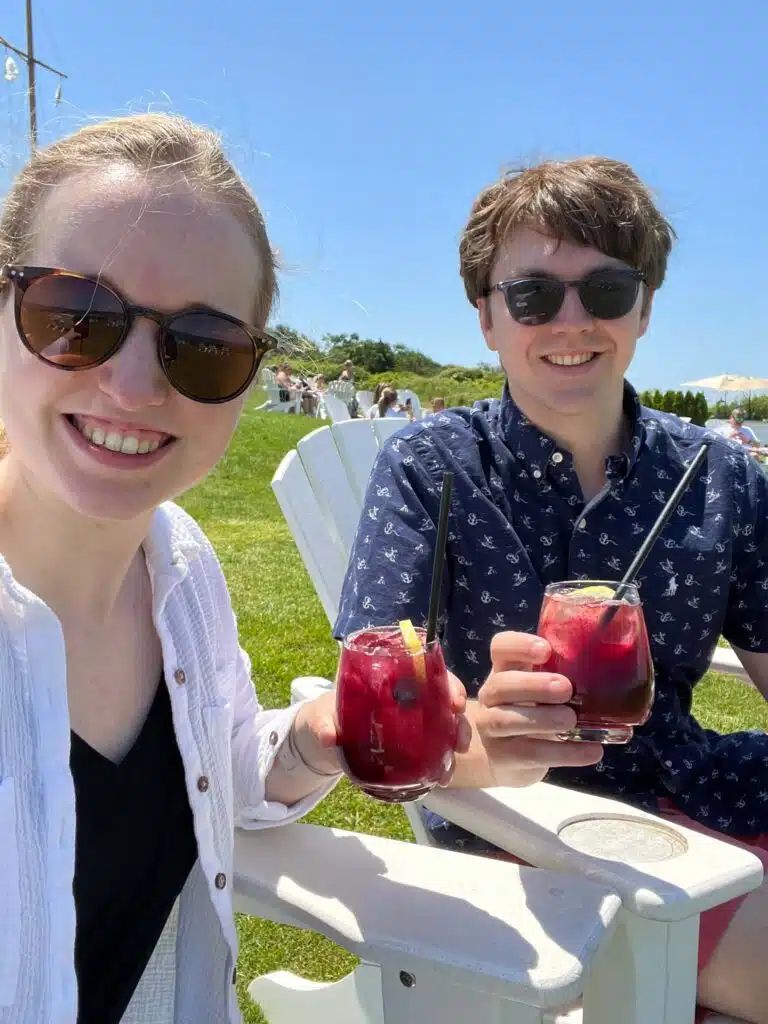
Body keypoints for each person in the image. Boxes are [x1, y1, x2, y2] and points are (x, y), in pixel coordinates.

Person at [0, 112, 469, 1022]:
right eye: (75, 316)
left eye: (203, 346)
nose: (134, 389)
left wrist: (311, 738)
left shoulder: (180, 565)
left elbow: (216, 768)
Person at [335, 157, 768, 1023]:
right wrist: (481, 736)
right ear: (488, 319)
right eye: (533, 296)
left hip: (702, 788)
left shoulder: (719, 476)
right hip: (530, 838)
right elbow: (374, 717)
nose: (572, 321)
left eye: (606, 290)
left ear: (643, 307)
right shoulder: (433, 472)